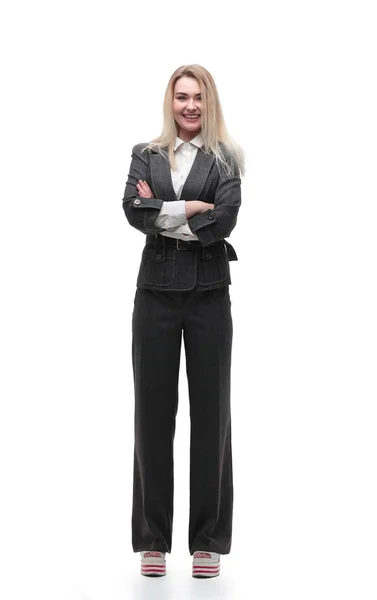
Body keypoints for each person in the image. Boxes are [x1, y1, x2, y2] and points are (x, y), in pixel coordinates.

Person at [121, 64, 245, 578]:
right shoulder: (145, 154)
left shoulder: (226, 158)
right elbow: (131, 209)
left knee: (212, 416)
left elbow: (226, 218)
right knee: (152, 415)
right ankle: (153, 537)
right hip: (154, 296)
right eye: (181, 98)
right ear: (170, 103)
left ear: (209, 102)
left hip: (209, 297)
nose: (189, 106)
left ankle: (207, 540)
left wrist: (166, 211)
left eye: (197, 97)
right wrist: (193, 206)